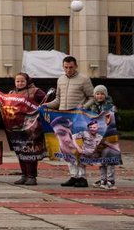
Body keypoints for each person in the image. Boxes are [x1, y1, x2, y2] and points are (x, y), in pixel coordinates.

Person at [44, 56, 95, 187]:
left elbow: (92, 97)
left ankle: (82, 177)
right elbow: (58, 100)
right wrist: (45, 106)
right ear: (63, 67)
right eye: (66, 67)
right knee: (66, 147)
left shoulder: (84, 79)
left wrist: (84, 107)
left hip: (78, 119)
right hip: (63, 119)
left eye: (71, 67)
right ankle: (73, 175)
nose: (68, 70)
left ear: (76, 66)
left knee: (79, 147)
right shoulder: (60, 79)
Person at [87, 85, 119, 189]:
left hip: (109, 136)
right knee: (101, 159)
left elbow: (117, 120)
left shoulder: (111, 107)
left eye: (102, 94)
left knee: (110, 158)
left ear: (105, 95)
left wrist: (114, 115)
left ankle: (110, 180)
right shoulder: (93, 107)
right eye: (97, 94)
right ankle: (103, 179)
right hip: (98, 137)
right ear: (94, 95)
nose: (99, 96)